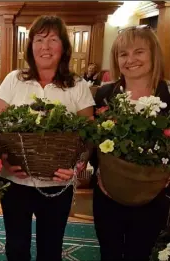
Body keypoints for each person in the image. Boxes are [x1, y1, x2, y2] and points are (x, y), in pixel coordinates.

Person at [0, 15, 95, 261]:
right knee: (16, 248)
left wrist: (77, 167)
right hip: (15, 181)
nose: (45, 47)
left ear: (64, 47)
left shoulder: (78, 85)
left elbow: (89, 135)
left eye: (52, 40)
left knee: (50, 249)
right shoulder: (14, 79)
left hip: (57, 185)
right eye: (39, 39)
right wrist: (3, 160)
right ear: (30, 46)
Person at [92, 25, 170, 261]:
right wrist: (99, 173)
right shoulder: (105, 94)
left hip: (154, 194)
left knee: (140, 253)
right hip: (107, 193)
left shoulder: (168, 95)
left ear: (153, 54)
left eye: (139, 52)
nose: (130, 59)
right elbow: (95, 140)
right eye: (123, 54)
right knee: (109, 253)